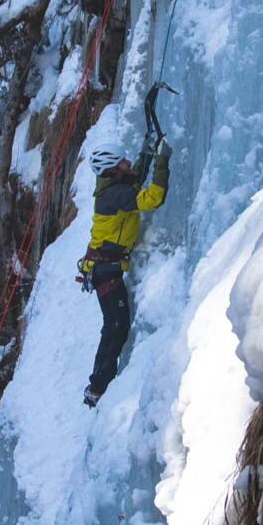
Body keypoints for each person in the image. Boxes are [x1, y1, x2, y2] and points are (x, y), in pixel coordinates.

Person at [79, 137, 171, 406]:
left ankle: (97, 385)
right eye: (122, 162)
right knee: (115, 326)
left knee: (114, 325)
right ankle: (97, 388)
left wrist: (147, 151)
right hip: (105, 270)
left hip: (104, 266)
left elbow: (133, 179)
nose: (127, 163)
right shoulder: (113, 194)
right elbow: (153, 197)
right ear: (111, 168)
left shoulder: (113, 184)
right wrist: (162, 162)